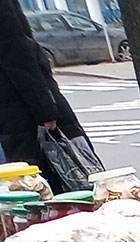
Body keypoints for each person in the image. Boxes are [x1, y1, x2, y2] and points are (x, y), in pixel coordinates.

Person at [0, 0, 91, 194]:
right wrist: (45, 111)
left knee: (17, 188)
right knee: (54, 185)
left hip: (10, 116)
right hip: (21, 111)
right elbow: (16, 54)